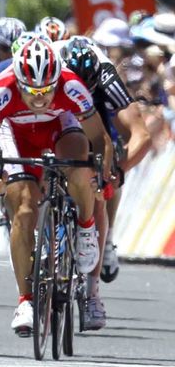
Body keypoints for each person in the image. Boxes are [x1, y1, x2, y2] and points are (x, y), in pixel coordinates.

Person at [0, 37, 110, 336]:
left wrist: (101, 175)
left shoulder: (72, 86)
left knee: (79, 167)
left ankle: (85, 228)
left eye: (46, 90)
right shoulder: (1, 90)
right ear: (17, 79)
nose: (38, 98)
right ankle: (25, 301)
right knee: (23, 209)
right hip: (15, 134)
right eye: (31, 90)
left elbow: (100, 140)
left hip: (59, 128)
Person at [58, 36, 151, 329]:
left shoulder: (107, 75)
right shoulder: (53, 71)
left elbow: (142, 136)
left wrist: (116, 173)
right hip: (54, 112)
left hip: (96, 122)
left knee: (99, 182)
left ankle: (92, 291)